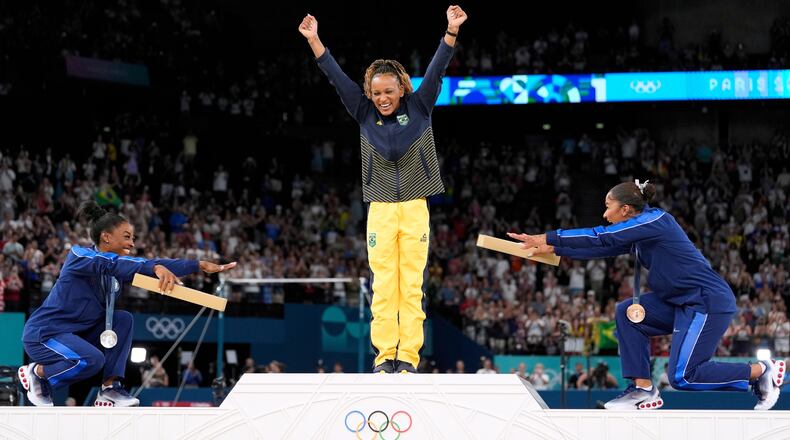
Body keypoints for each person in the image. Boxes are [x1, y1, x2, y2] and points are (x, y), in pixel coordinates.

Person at [507, 180, 785, 410]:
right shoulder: (640, 231)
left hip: (705, 301)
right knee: (626, 313)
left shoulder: (657, 221)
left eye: (608, 207)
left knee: (682, 376)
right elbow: (604, 247)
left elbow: (603, 236)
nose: (605, 214)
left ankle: (761, 372)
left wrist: (547, 238)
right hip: (679, 302)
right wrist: (555, 250)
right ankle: (642, 389)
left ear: (625, 209)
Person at [299, 6, 468, 374]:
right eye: (376, 92)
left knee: (411, 286)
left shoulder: (421, 107)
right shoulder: (362, 113)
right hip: (380, 209)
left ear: (401, 88)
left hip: (414, 207)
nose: (382, 98)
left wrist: (450, 32)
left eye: (388, 91)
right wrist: (314, 40)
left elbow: (438, 68)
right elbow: (335, 77)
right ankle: (383, 357)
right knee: (382, 286)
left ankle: (406, 357)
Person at [18, 201, 236, 407]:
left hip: (78, 334)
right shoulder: (78, 255)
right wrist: (154, 269)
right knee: (91, 359)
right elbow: (116, 263)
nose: (132, 243)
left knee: (123, 319)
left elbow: (144, 264)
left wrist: (197, 265)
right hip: (45, 334)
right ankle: (37, 373)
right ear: (105, 237)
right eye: (127, 237)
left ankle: (110, 387)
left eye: (133, 237)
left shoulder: (118, 270)